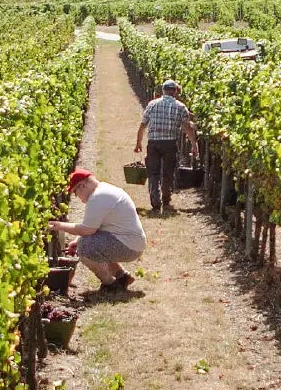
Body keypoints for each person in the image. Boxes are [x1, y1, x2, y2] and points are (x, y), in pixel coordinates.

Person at [52, 169, 144, 292]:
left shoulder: (98, 197)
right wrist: (76, 240)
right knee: (89, 243)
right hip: (131, 242)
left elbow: (87, 230)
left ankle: (110, 284)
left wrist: (58, 225)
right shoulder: (104, 190)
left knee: (85, 246)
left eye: (75, 192)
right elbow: (94, 227)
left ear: (83, 186)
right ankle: (122, 277)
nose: (77, 197)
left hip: (129, 247)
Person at [134, 79, 196, 215]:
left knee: (153, 172)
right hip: (170, 144)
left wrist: (138, 143)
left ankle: (155, 200)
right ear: (175, 91)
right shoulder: (180, 107)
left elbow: (143, 125)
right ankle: (166, 198)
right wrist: (194, 145)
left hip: (154, 143)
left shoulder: (152, 104)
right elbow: (187, 129)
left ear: (163, 91)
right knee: (168, 172)